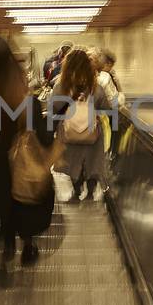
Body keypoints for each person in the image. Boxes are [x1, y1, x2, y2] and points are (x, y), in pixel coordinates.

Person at [0, 35, 58, 265]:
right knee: (22, 203)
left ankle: (7, 244)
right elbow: (41, 133)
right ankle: (27, 245)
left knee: (2, 204)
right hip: (19, 162)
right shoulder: (23, 95)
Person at [53, 48, 113, 202]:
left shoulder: (60, 87)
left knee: (73, 162)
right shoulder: (96, 88)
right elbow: (106, 108)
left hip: (68, 134)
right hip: (92, 133)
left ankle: (76, 190)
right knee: (92, 162)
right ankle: (91, 192)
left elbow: (54, 108)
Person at [95, 49, 126, 157]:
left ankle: (110, 152)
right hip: (106, 112)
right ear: (107, 63)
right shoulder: (105, 77)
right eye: (111, 65)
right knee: (115, 129)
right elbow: (114, 99)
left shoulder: (90, 75)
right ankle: (113, 153)